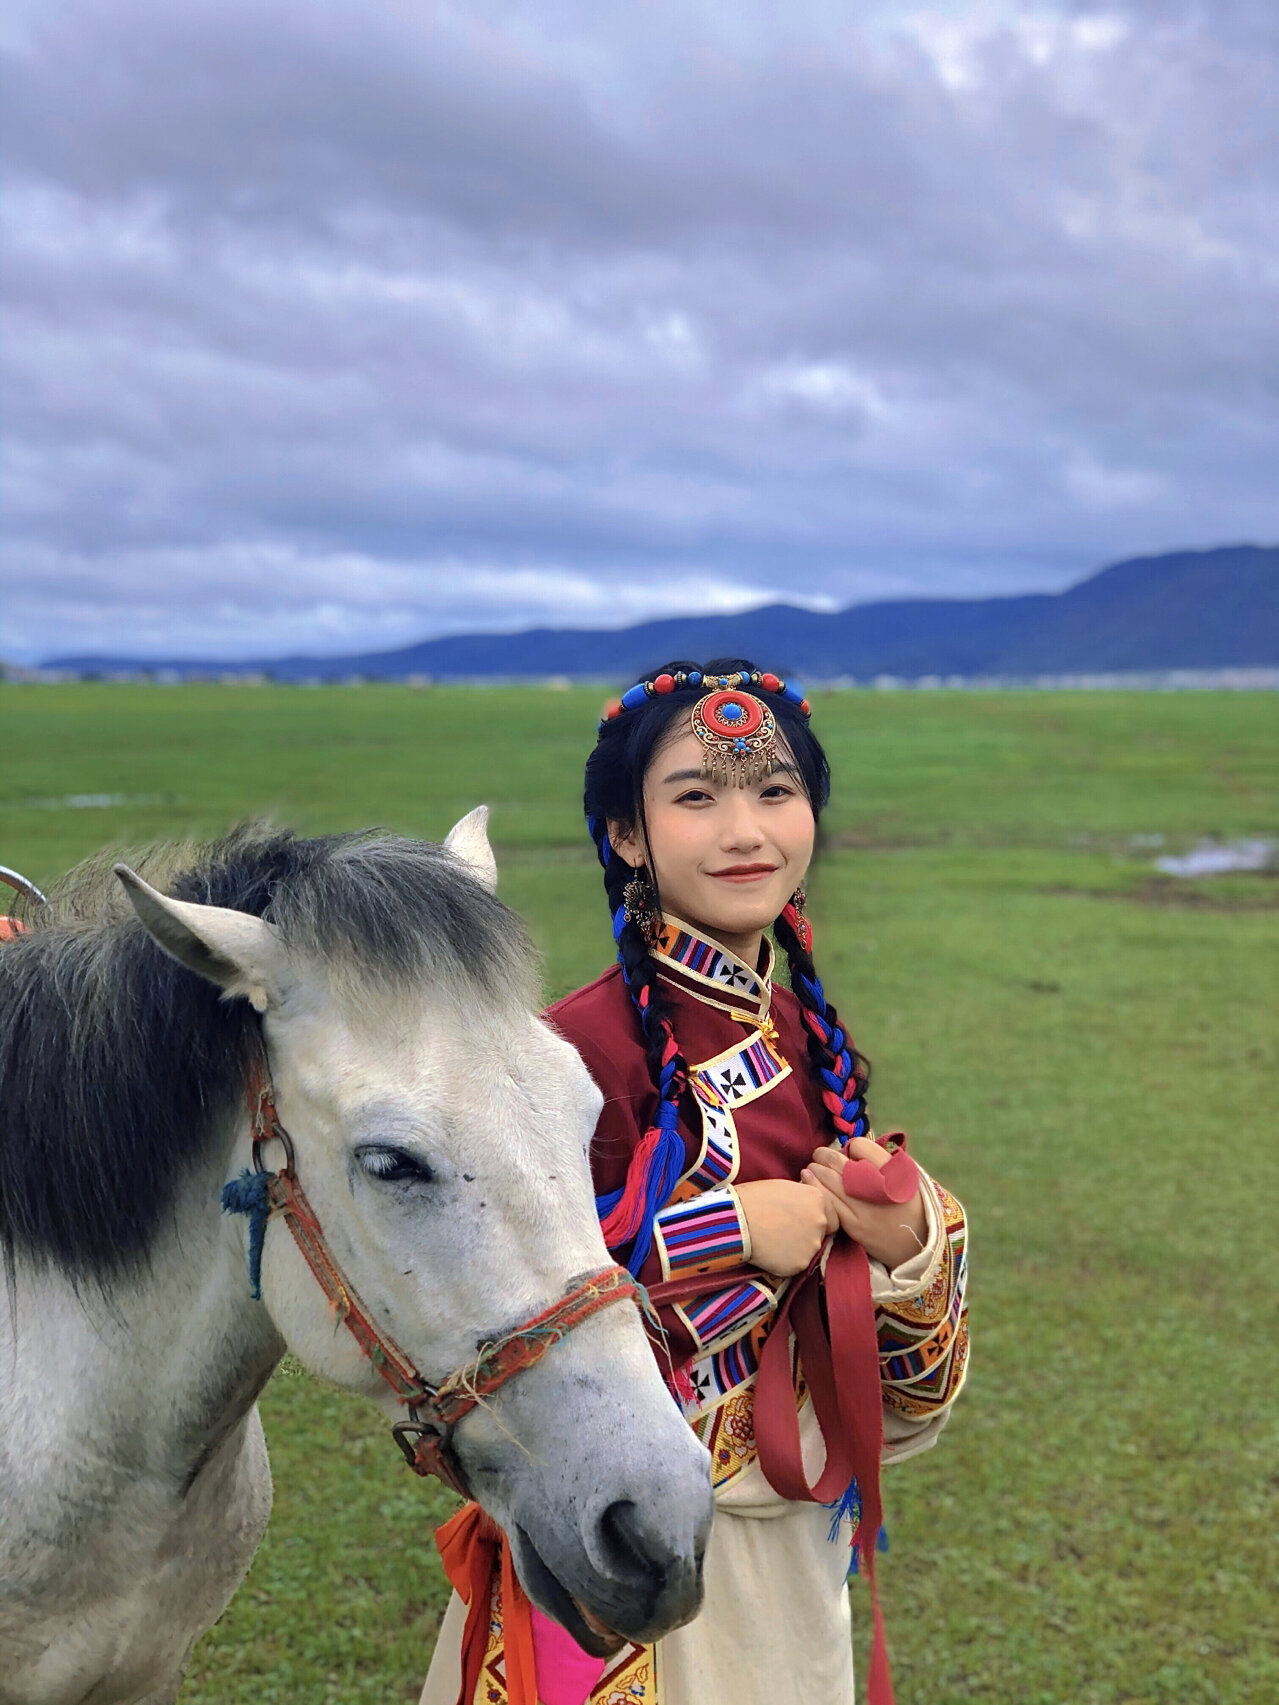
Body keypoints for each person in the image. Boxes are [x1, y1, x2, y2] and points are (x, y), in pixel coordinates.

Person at [421, 660, 969, 1705]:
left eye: (773, 790)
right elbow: (495, 1310)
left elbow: (886, 1365)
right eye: (694, 796)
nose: (744, 830)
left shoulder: (810, 1034)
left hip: (791, 1541)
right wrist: (728, 1225)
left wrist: (906, 1239)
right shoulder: (569, 1052)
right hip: (620, 1536)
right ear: (626, 835)